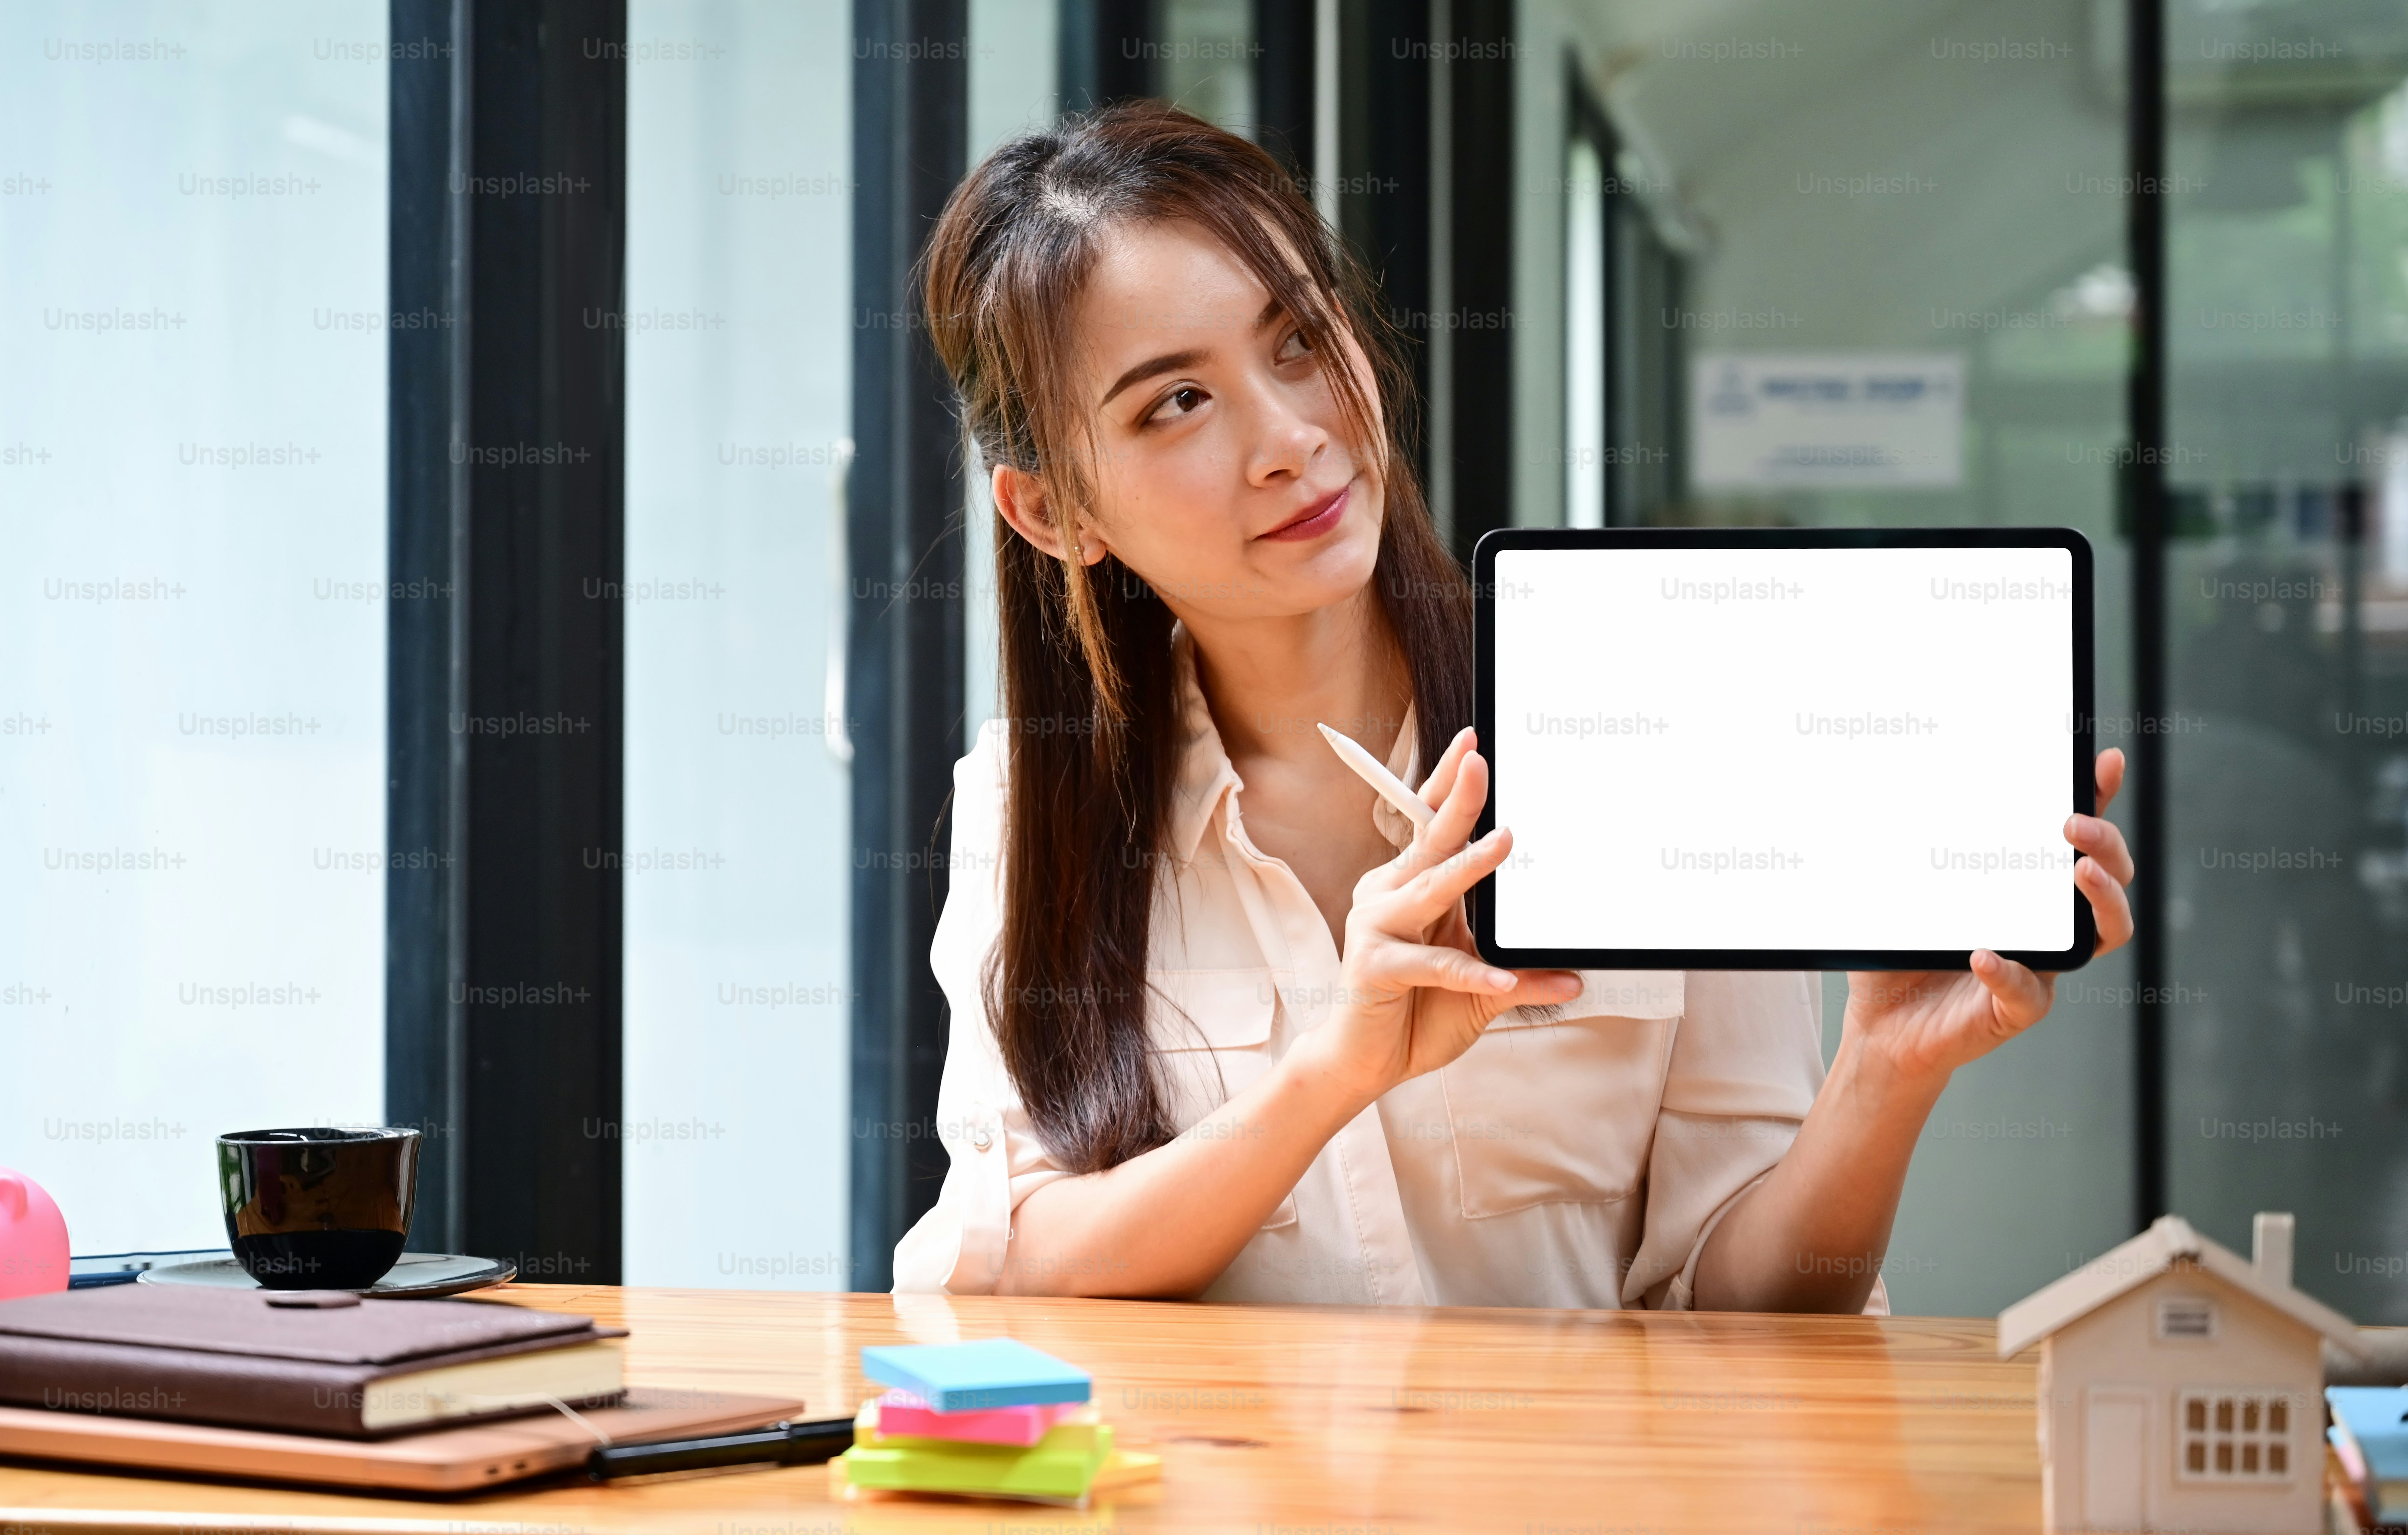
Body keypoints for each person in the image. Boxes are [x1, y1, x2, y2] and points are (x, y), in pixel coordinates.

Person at [890, 102, 2133, 1309]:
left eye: (1299, 344)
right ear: (1055, 513)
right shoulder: (1029, 802)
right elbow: (1019, 1263)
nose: (1289, 439)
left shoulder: (1661, 729)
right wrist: (1337, 1068)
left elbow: (1746, 1303)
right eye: (1176, 402)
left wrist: (1884, 1070)